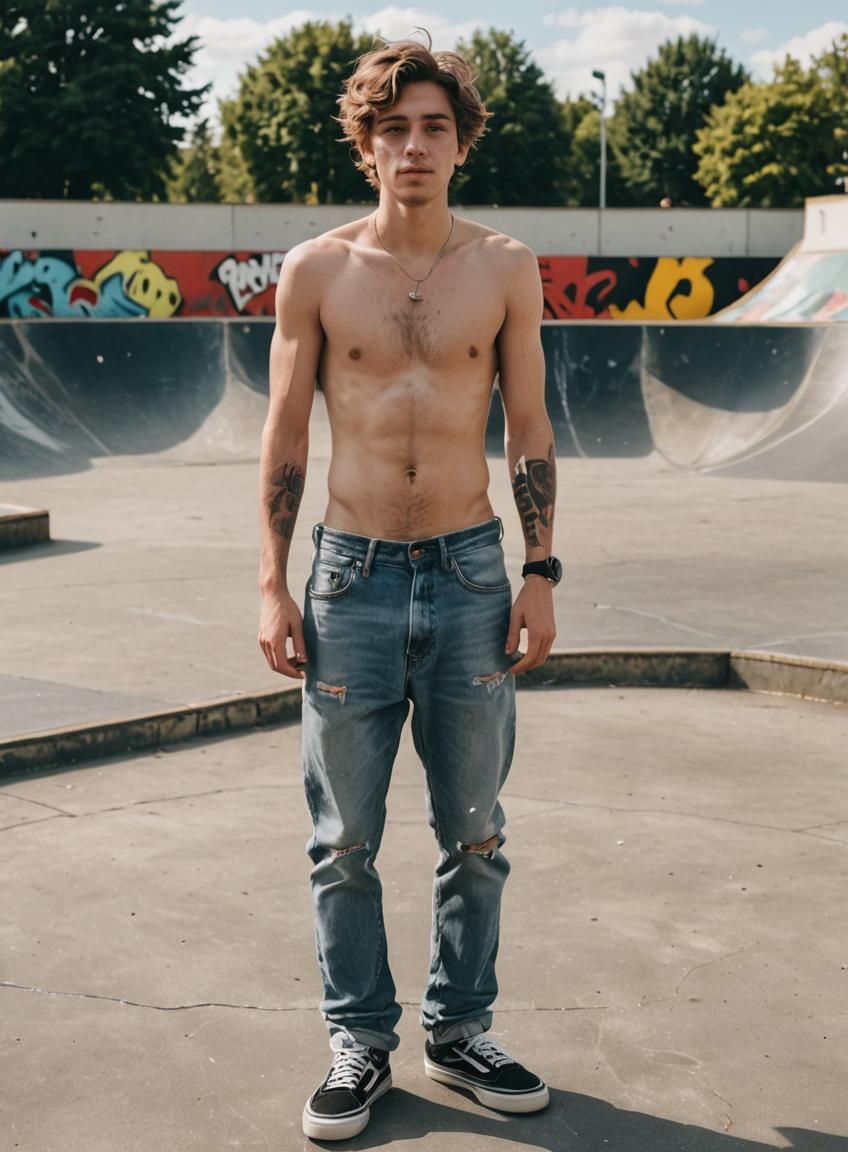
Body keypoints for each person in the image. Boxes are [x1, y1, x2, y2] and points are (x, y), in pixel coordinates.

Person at [257, 34, 560, 1142]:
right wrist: (269, 584)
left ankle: (460, 1029)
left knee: (473, 831)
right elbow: (284, 434)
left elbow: (528, 426)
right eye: (393, 126)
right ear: (365, 145)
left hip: (475, 573)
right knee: (342, 838)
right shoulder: (319, 271)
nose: (414, 144)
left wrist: (537, 571)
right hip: (350, 581)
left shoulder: (502, 265)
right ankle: (359, 1041)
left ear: (459, 141)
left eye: (433, 125)